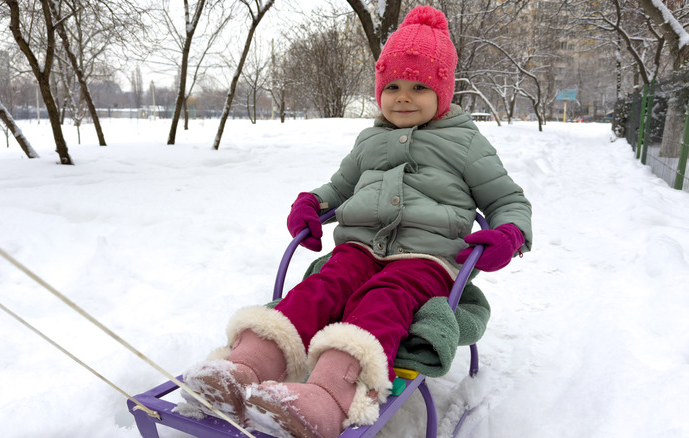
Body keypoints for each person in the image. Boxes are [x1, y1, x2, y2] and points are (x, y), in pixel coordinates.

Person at [177, 5, 532, 438]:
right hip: (358, 248)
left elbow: (508, 199)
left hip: (425, 259)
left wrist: (510, 233)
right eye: (394, 85)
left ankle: (329, 397)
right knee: (320, 288)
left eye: (419, 87)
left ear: (444, 91)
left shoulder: (466, 143)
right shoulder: (370, 140)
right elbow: (339, 187)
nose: (403, 96)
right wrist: (312, 203)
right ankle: (241, 368)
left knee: (383, 298)